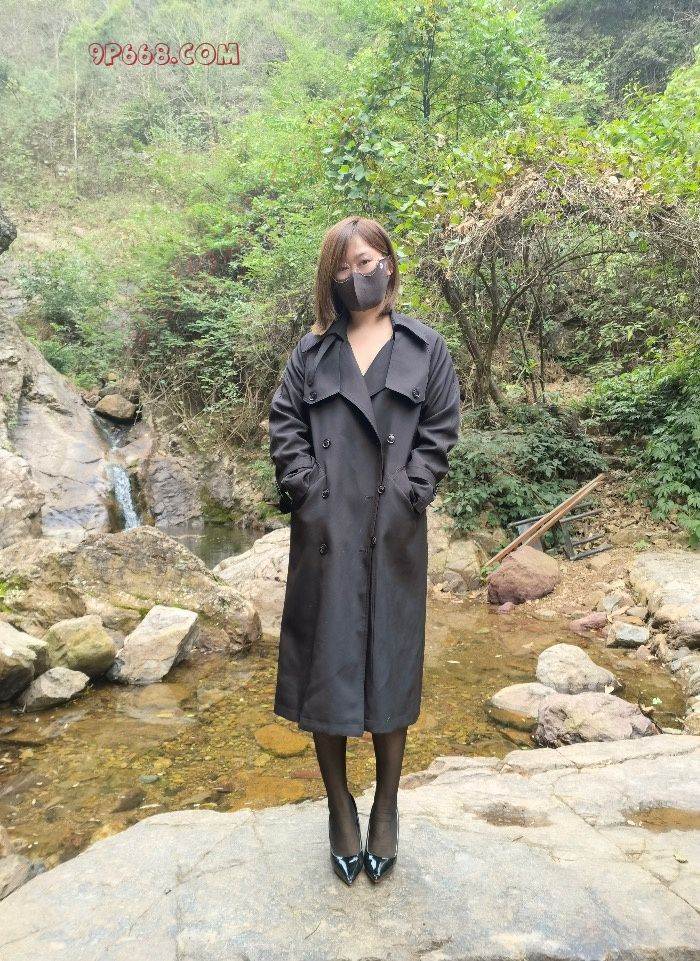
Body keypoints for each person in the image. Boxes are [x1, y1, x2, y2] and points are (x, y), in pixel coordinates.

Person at [268, 215, 461, 884]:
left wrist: (412, 491)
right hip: (325, 535)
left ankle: (386, 805)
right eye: (345, 267)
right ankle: (339, 806)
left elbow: (440, 428)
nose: (358, 275)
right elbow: (285, 424)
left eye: (368, 261)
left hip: (393, 532)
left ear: (389, 263)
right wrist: (307, 490)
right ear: (331, 278)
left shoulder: (425, 347)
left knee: (390, 664)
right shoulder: (311, 354)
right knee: (325, 664)